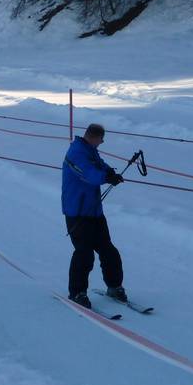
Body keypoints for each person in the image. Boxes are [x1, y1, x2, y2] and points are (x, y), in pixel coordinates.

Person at [61, 123, 127, 309]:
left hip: (94, 211)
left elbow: (99, 165)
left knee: (108, 251)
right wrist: (105, 178)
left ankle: (114, 287)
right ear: (94, 137)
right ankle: (77, 292)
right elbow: (88, 174)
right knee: (84, 253)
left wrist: (110, 172)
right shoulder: (76, 153)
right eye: (101, 140)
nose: (102, 143)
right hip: (77, 212)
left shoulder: (90, 150)